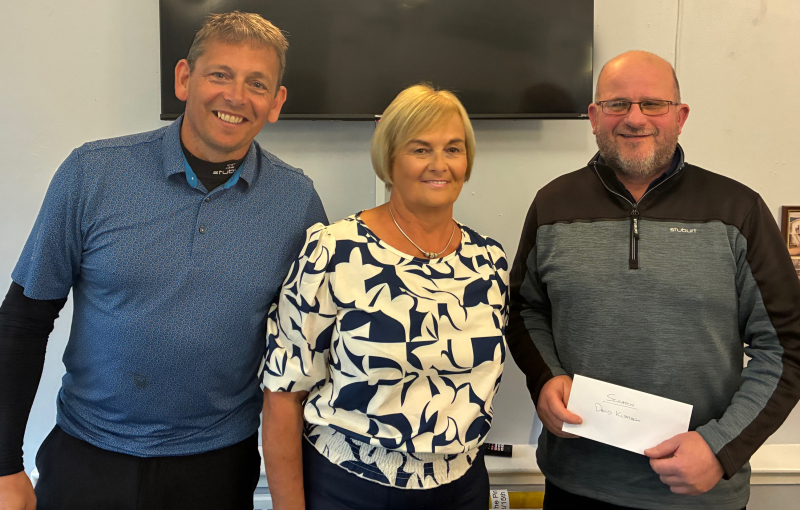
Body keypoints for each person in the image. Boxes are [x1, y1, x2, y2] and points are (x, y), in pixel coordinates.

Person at [0, 11, 327, 510]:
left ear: (276, 102)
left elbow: (307, 355)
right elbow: (23, 321)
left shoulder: (297, 203)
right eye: (220, 74)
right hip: (88, 456)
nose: (236, 96)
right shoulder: (93, 173)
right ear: (183, 78)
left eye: (257, 83)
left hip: (218, 466)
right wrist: (5, 465)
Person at [507, 50, 800, 510]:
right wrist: (546, 377)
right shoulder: (552, 204)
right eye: (617, 104)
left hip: (700, 494)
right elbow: (525, 311)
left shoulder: (738, 210)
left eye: (653, 104)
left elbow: (785, 348)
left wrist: (721, 448)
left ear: (680, 117)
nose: (635, 118)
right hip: (574, 485)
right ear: (594, 117)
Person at [260, 84, 509, 510]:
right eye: (420, 149)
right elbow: (283, 394)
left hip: (463, 487)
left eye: (453, 149)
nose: (439, 164)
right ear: (389, 159)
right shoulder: (334, 252)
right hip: (352, 488)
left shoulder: (489, 261)